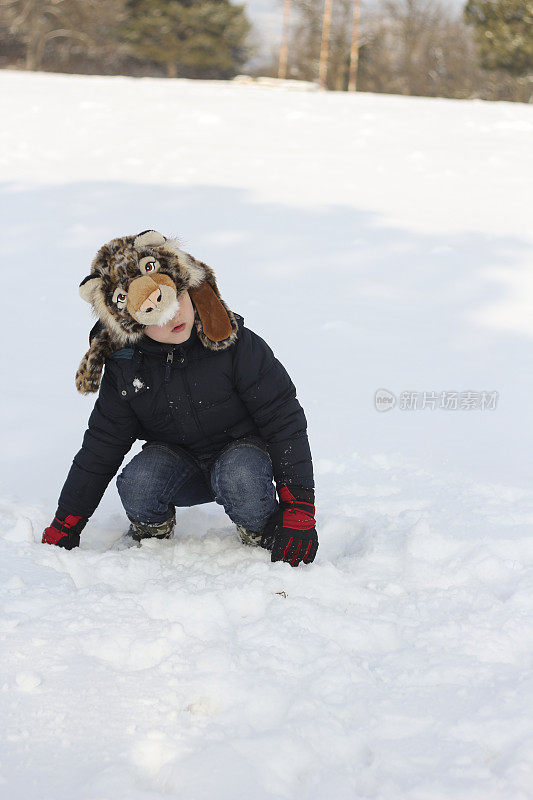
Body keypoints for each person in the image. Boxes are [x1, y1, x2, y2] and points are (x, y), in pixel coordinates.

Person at [41, 230, 318, 567]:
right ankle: (154, 531)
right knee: (138, 482)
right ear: (134, 325)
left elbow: (283, 419)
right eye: (156, 315)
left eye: (176, 301)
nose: (173, 316)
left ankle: (259, 526)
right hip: (178, 461)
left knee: (241, 476)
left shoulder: (236, 344)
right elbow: (102, 444)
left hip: (242, 456)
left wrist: (299, 509)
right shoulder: (127, 367)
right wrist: (67, 520)